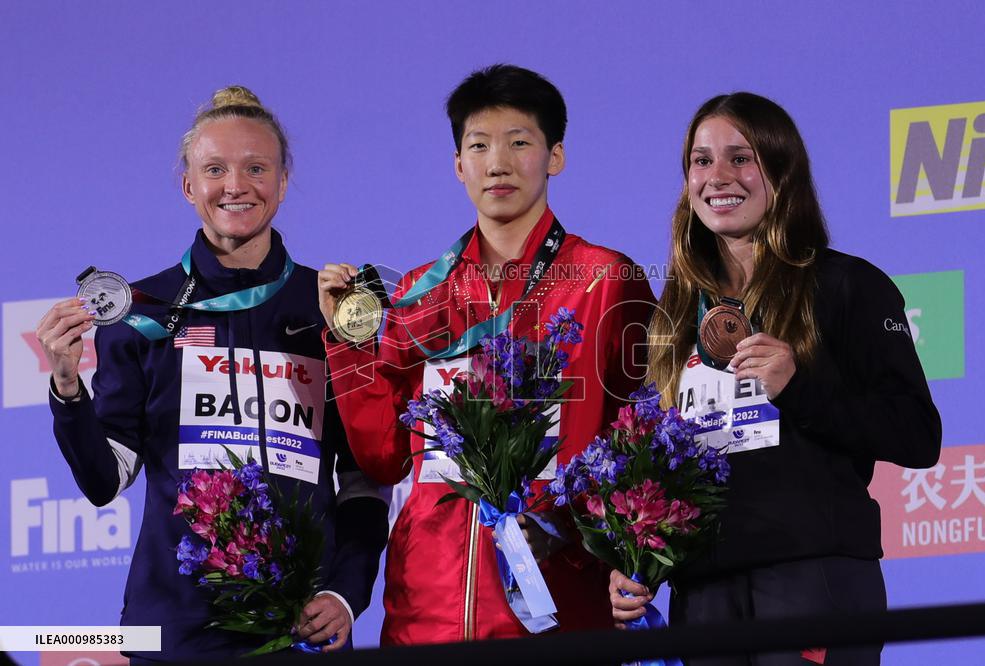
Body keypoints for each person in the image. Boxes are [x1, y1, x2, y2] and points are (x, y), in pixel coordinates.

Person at [36, 86, 389, 663]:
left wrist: (346, 593)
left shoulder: (331, 307)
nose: (235, 186)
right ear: (188, 186)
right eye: (215, 169)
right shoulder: (142, 316)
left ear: (281, 181)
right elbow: (105, 481)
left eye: (256, 168)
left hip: (302, 620)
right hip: (175, 626)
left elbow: (363, 478)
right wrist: (68, 389)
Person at [319, 64, 655, 644]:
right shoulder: (420, 290)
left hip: (557, 609)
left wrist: (567, 532)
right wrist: (350, 345)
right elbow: (383, 458)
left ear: (555, 156)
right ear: (458, 165)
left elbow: (636, 441)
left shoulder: (605, 279)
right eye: (479, 146)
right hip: (427, 608)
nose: (498, 163)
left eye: (519, 142)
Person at [609, 92, 942, 665]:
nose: (718, 177)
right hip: (703, 594)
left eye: (741, 158)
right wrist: (634, 554)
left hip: (811, 579)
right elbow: (653, 457)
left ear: (782, 170)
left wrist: (799, 387)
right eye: (701, 160)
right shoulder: (672, 314)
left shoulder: (847, 286)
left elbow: (917, 434)